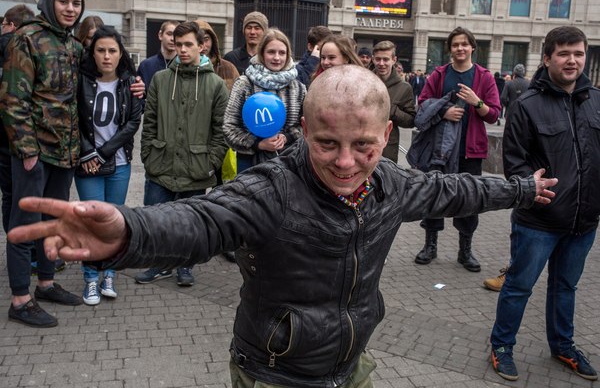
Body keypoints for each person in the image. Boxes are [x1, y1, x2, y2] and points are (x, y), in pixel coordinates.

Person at [6, 65, 557, 387]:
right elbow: (201, 220)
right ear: (302, 131)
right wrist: (127, 233)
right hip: (272, 375)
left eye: (362, 145)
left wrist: (523, 188)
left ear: (387, 136)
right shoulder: (269, 189)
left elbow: (455, 188)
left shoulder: (393, 183)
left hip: (352, 366)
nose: (345, 162)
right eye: (326, 144)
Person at [490, 26, 600, 382]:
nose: (572, 60)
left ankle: (563, 346)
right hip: (538, 220)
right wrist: (533, 188)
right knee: (519, 286)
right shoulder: (526, 105)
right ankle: (502, 346)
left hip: (583, 221)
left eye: (578, 53)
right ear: (548, 57)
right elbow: (515, 162)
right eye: (564, 53)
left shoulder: (597, 100)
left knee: (565, 287)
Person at [0, 0, 88, 328]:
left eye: (76, 3)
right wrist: (26, 151)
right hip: (34, 154)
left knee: (55, 224)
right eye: (64, 1)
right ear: (50, 1)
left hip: (64, 154)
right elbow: (12, 100)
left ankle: (46, 284)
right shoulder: (26, 39)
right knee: (25, 226)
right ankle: (20, 300)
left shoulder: (74, 44)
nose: (70, 8)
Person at [134, 21, 229, 286]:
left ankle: (185, 266)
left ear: (202, 46)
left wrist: (210, 164)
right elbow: (149, 122)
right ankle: (159, 263)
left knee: (190, 224)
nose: (183, 50)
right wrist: (148, 157)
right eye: (179, 45)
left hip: (197, 168)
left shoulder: (216, 85)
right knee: (155, 219)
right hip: (160, 165)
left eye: (189, 44)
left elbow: (220, 132)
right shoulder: (161, 80)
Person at [414, 26, 501, 272]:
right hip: (440, 149)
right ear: (450, 49)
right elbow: (423, 103)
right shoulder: (440, 74)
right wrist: (444, 112)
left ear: (473, 47)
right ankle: (430, 246)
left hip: (470, 150)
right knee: (434, 195)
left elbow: (494, 115)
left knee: (469, 199)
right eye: (455, 44)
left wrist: (477, 102)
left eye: (465, 44)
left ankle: (465, 251)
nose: (460, 48)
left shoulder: (484, 77)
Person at [75, 26, 142, 305]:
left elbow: (132, 124)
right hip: (86, 165)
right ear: (92, 53)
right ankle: (91, 278)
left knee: (114, 223)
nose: (106, 56)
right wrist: (89, 154)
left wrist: (103, 153)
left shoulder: (130, 83)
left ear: (120, 54)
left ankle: (110, 273)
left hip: (120, 164)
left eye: (112, 51)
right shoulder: (81, 80)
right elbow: (73, 120)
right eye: (100, 50)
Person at [224, 28, 306, 173]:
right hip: (249, 164)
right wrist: (258, 144)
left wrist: (286, 137)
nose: (277, 57)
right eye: (271, 52)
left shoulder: (298, 87)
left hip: (288, 162)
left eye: (282, 53)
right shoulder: (244, 84)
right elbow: (229, 127)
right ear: (261, 53)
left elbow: (306, 125)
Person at [195, 18, 240, 263]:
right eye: (198, 40)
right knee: (196, 194)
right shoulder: (182, 68)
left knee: (225, 193)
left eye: (207, 39)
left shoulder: (229, 69)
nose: (203, 45)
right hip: (195, 142)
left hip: (223, 141)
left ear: (213, 42)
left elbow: (238, 103)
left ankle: (224, 240)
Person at [483, 63, 531, 292]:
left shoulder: (512, 85)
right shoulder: (531, 89)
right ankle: (513, 272)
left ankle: (516, 272)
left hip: (514, 122)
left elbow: (500, 101)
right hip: (533, 180)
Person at [0, 4, 35, 232]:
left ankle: (15, 242)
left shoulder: (8, 46)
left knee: (9, 195)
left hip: (4, 138)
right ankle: (31, 251)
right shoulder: (34, 49)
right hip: (28, 137)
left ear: (12, 25)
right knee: (30, 196)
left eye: (3, 24)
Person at [371, 40, 415, 163]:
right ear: (373, 59)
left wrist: (392, 110)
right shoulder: (364, 80)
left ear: (394, 60)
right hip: (362, 143)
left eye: (385, 59)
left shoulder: (404, 88)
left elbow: (411, 121)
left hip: (388, 147)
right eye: (378, 59)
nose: (381, 63)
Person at [137, 20, 179, 87]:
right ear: (160, 35)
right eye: (169, 34)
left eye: (176, 35)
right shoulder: (146, 65)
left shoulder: (185, 66)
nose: (172, 39)